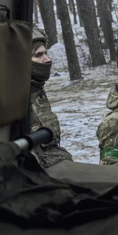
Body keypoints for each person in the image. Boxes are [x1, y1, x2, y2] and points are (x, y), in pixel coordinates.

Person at [29, 29, 73, 168]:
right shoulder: (12, 97)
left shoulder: (36, 89)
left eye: (45, 53)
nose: (47, 59)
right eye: (38, 55)